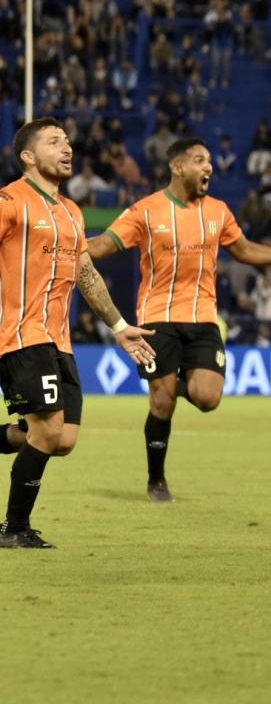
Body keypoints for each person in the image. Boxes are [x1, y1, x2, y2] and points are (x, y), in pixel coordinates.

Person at [87, 139, 271, 503]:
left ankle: (169, 382)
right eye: (199, 160)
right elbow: (104, 245)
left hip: (203, 319)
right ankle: (157, 480)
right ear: (178, 167)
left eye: (209, 161)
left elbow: (243, 250)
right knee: (162, 405)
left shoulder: (218, 211)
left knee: (208, 397)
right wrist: (63, 246)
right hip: (157, 318)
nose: (208, 167)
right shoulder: (146, 211)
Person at [0, 118, 156, 548]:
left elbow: (86, 273)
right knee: (47, 432)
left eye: (67, 141)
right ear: (28, 157)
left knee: (62, 439)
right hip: (22, 336)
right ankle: (14, 529)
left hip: (59, 342)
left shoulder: (72, 212)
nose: (67, 148)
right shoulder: (10, 201)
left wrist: (120, 326)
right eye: (54, 142)